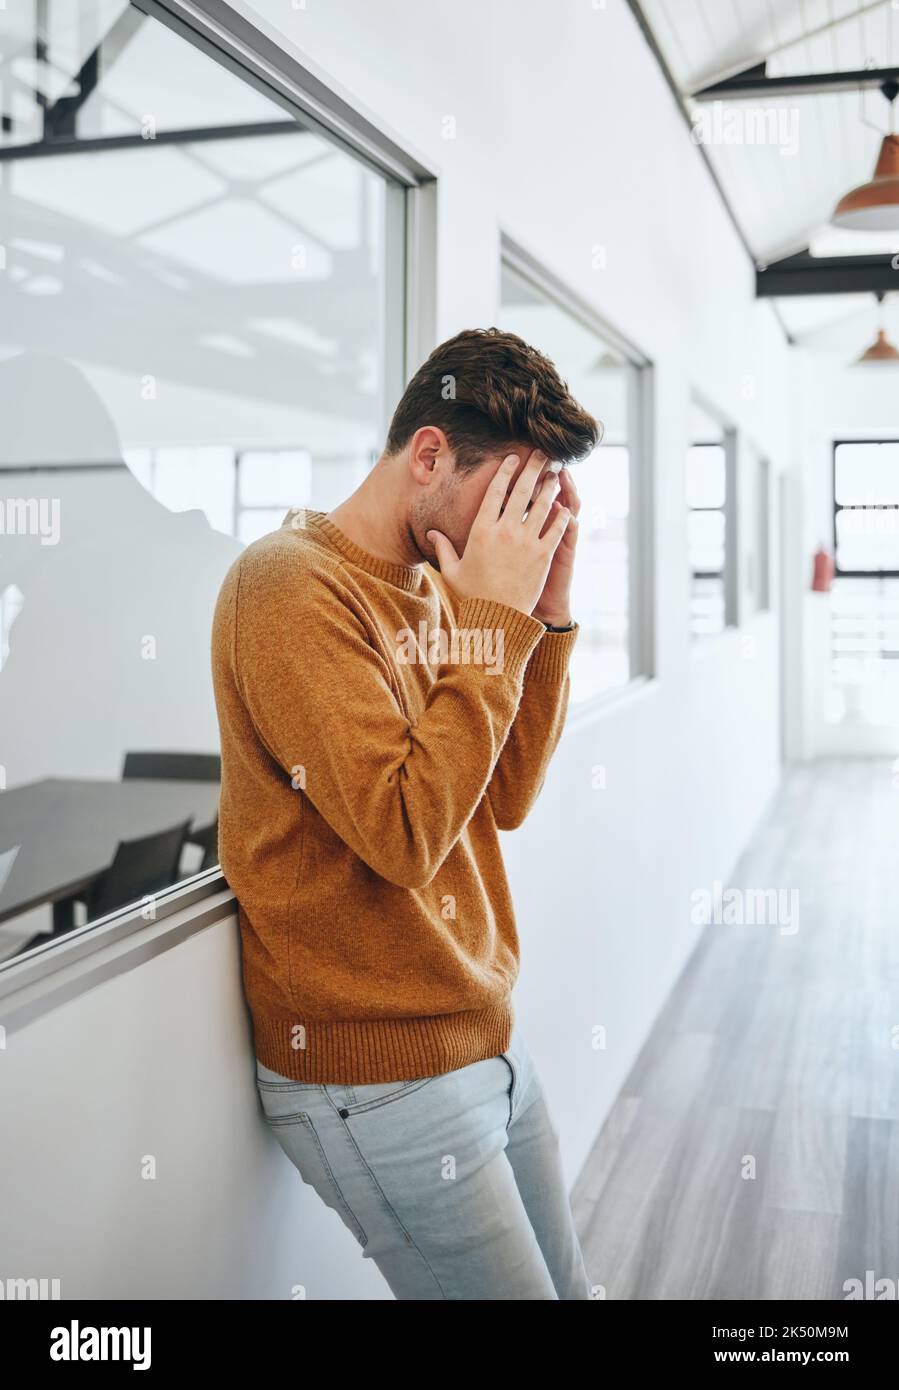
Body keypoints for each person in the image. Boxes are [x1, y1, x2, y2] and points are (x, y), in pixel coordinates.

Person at [211, 327, 601, 1299]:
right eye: (505, 498)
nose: (517, 530)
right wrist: (497, 621)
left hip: (480, 1035)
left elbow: (499, 796)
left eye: (534, 505)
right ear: (427, 453)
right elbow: (402, 834)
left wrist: (542, 617)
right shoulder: (288, 584)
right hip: (375, 1081)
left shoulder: (444, 590)